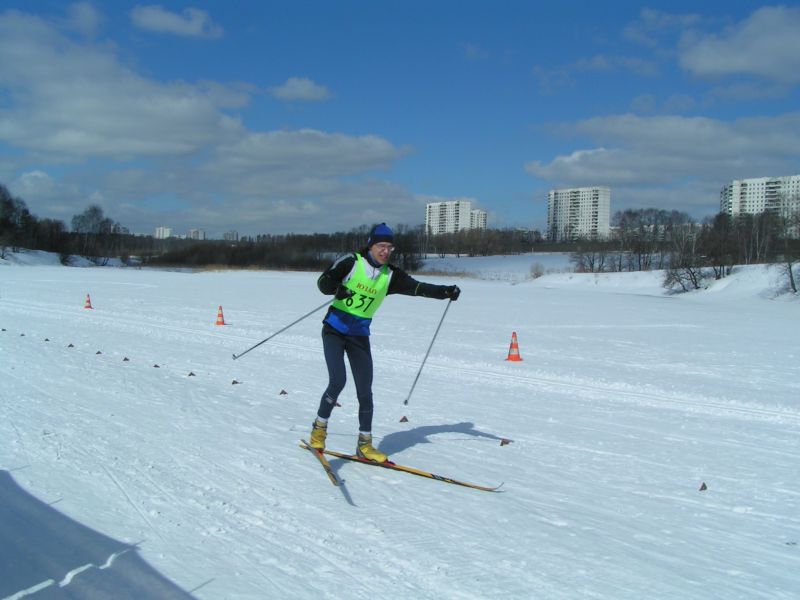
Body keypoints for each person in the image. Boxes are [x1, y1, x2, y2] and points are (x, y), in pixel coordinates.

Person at [309, 223, 461, 462]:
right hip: (334, 331)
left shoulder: (390, 275)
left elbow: (417, 287)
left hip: (359, 335)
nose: (385, 251)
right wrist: (337, 289)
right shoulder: (352, 262)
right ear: (371, 245)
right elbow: (323, 283)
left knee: (365, 391)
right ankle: (319, 429)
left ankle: (365, 445)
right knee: (338, 380)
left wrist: (445, 291)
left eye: (389, 247)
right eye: (381, 246)